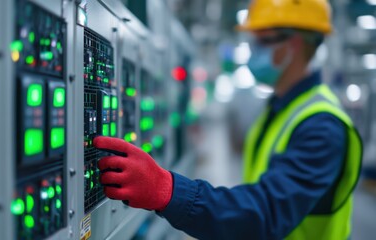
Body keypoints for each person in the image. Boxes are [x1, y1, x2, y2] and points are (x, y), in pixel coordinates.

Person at [93, 0, 363, 239]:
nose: (251, 50)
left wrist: (166, 189)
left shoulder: (322, 125)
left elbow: (266, 215)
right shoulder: (281, 108)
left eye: (261, 40)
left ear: (291, 45)